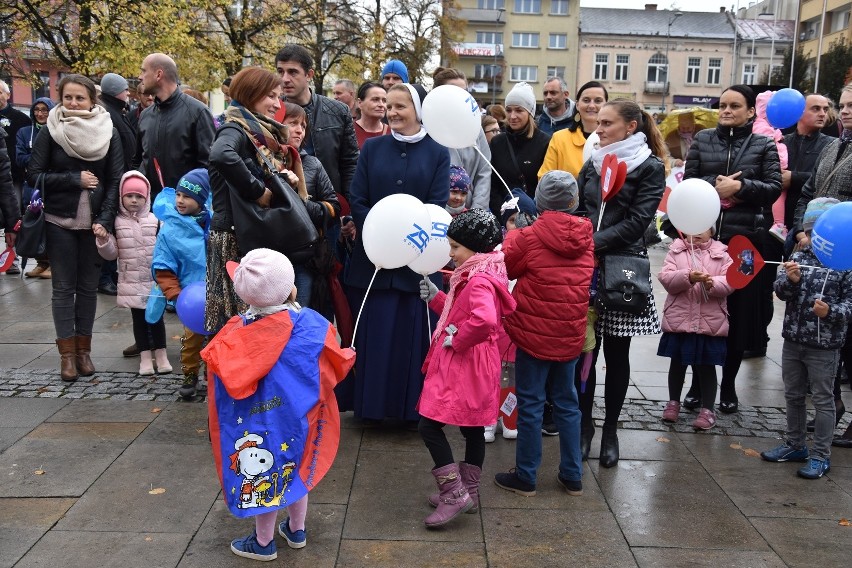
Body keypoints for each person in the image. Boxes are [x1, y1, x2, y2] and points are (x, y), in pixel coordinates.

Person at [202, 247, 355, 561]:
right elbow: (334, 362)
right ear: (293, 289)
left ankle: (263, 542)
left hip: (257, 423)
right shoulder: (312, 325)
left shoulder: (233, 336)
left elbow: (221, 379)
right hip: (302, 418)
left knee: (263, 477)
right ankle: (297, 530)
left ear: (246, 299)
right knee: (297, 469)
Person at [340, 83, 450, 424]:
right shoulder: (373, 149)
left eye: (401, 106)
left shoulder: (438, 152)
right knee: (375, 339)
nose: (393, 112)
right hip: (373, 260)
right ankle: (371, 410)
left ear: (418, 110)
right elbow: (358, 197)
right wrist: (378, 235)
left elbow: (437, 203)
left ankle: (408, 411)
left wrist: (406, 242)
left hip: (415, 264)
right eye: (389, 105)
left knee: (409, 340)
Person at [577, 99, 666, 467]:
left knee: (616, 354)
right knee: (584, 353)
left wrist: (591, 242)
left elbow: (638, 222)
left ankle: (610, 429)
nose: (598, 129)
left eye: (607, 123)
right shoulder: (592, 163)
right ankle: (584, 427)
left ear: (631, 126)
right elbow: (580, 208)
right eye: (598, 123)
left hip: (621, 272)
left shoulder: (649, 167)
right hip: (585, 268)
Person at [493, 170, 594, 496]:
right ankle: (572, 474)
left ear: (540, 200)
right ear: (574, 200)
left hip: (533, 335)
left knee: (532, 403)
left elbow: (507, 267)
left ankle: (526, 475)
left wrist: (513, 236)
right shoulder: (585, 237)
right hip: (568, 335)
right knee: (567, 403)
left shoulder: (529, 236)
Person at [683, 85, 782, 414]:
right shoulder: (703, 140)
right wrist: (715, 188)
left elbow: (772, 188)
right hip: (707, 243)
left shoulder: (764, 144)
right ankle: (699, 385)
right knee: (703, 315)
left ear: (751, 111)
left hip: (746, 245)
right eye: (722, 105)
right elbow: (689, 184)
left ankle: (728, 386)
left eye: (734, 105)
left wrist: (740, 186)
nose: (726, 110)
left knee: (738, 316)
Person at [417, 209, 515, 527]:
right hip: (480, 362)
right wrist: (437, 299)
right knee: (472, 428)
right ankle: (468, 492)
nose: (450, 252)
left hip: (465, 363)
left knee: (429, 425)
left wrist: (456, 341)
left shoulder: (478, 280)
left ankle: (455, 494)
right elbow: (462, 311)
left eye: (456, 246)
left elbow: (483, 319)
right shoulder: (485, 272)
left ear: (474, 248)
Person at [26, 74, 123, 382]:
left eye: (79, 98)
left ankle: (84, 352)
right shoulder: (51, 131)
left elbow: (115, 179)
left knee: (88, 290)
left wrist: (105, 219)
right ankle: (67, 356)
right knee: (63, 289)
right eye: (68, 97)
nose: (73, 103)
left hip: (94, 223)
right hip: (59, 220)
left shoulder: (109, 130)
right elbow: (34, 174)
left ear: (92, 100)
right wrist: (72, 179)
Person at [206, 66, 311, 333]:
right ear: (252, 93)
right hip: (233, 236)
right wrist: (259, 192)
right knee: (236, 321)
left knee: (247, 321)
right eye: (271, 96)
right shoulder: (235, 128)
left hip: (243, 233)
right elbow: (221, 155)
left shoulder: (253, 130)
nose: (277, 104)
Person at [762, 198, 852, 479]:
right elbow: (779, 291)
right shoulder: (799, 258)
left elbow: (849, 306)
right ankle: (795, 444)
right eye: (809, 233)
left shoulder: (845, 265)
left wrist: (830, 312)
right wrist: (791, 280)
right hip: (793, 340)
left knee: (824, 400)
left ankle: (821, 456)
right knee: (794, 395)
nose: (811, 239)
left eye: (817, 234)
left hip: (825, 347)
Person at [792, 85, 852, 444]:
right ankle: (835, 405)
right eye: (842, 106)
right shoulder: (832, 145)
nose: (844, 112)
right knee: (830, 343)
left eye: (851, 106)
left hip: (848, 259)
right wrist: (803, 230)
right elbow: (807, 193)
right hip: (818, 255)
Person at [95, 171, 171, 376]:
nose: (134, 200)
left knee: (156, 320)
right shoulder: (117, 222)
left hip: (154, 282)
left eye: (139, 196)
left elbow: (166, 246)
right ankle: (145, 357)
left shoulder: (156, 220)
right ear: (121, 197)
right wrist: (103, 241)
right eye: (129, 196)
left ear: (147, 197)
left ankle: (161, 355)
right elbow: (112, 254)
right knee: (139, 321)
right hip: (132, 282)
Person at [657, 227, 733, 430]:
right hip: (680, 320)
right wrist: (688, 277)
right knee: (677, 364)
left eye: (704, 228)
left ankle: (708, 409)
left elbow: (730, 282)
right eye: (693, 227)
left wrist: (711, 283)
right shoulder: (676, 251)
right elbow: (666, 278)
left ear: (712, 231)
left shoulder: (722, 254)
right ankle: (673, 402)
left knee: (706, 367)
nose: (698, 232)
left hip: (708, 322)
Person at [151, 168, 210, 398]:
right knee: (192, 339)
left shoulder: (211, 222)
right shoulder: (170, 231)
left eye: (187, 196)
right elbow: (163, 265)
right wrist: (175, 295)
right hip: (191, 297)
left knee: (219, 338)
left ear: (201, 199)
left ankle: (214, 374)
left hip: (215, 292)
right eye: (178, 194)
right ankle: (190, 373)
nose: (180, 200)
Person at [281, 101, 342, 309]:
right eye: (292, 123)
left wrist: (300, 202)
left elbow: (333, 208)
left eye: (303, 125)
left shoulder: (312, 164)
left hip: (303, 258)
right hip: (271, 258)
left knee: (299, 316)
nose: (299, 130)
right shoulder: (263, 160)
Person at [135, 53, 216, 201]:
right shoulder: (145, 116)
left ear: (159, 74)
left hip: (186, 212)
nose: (140, 77)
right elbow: (138, 160)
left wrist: (190, 200)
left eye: (143, 71)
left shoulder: (197, 112)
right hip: (149, 210)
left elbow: (209, 165)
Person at [431, 67, 492, 211]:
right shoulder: (428, 127)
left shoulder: (476, 127)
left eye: (464, 92)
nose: (460, 97)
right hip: (436, 213)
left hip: (470, 211)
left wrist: (477, 211)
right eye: (453, 92)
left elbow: (484, 172)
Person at [98, 73, 136, 297]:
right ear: (115, 91)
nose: (128, 93)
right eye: (125, 89)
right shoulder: (109, 114)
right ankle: (104, 276)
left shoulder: (116, 111)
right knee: (110, 229)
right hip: (115, 177)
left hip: (120, 176)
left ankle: (110, 273)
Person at [487, 82, 550, 214]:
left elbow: (546, 187)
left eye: (519, 110)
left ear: (530, 113)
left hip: (533, 216)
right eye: (509, 110)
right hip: (503, 216)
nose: (512, 116)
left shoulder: (545, 142)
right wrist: (503, 215)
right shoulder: (497, 142)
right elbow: (492, 184)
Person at [780, 94, 831, 257]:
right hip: (777, 223)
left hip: (808, 228)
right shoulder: (781, 142)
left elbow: (827, 178)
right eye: (816, 109)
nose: (823, 113)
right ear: (798, 113)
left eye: (825, 109)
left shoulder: (831, 145)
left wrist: (794, 178)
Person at [15, 97, 55, 278]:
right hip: (32, 186)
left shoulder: (55, 131)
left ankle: (54, 264)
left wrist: (35, 160)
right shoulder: (24, 132)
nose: (40, 113)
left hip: (51, 185)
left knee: (51, 224)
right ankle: (41, 261)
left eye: (44, 110)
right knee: (34, 222)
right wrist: (40, 160)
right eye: (37, 109)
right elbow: (19, 158)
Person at [538, 81, 609, 183]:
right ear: (577, 105)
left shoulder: (615, 139)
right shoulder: (560, 139)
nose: (592, 105)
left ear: (606, 105)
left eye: (598, 101)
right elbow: (545, 179)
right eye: (586, 100)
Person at [1, 80, 33, 276]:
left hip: (13, 175)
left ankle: (11, 257)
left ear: (7, 94)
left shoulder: (20, 118)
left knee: (12, 215)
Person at [752, 91, 790, 243]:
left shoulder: (763, 124)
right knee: (779, 193)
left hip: (774, 162)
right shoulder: (763, 126)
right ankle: (779, 224)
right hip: (774, 163)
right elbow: (765, 145)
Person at [353, 82, 388, 148]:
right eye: (375, 100)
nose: (381, 105)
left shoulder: (393, 133)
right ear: (360, 103)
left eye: (384, 100)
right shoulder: (349, 131)